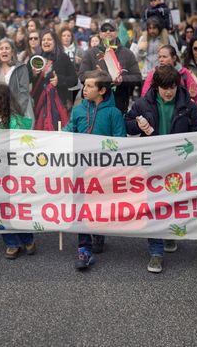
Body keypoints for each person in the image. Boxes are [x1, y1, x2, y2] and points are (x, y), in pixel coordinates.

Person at [124, 65, 197, 272]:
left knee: (173, 203)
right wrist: (136, 126)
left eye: (173, 87)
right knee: (153, 204)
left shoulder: (189, 106)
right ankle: (156, 251)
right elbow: (127, 124)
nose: (169, 92)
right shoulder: (142, 104)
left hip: (178, 164)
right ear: (156, 86)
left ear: (178, 86)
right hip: (152, 163)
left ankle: (169, 234)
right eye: (164, 88)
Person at [64, 70, 126, 270]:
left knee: (99, 206)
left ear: (102, 90)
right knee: (82, 207)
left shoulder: (114, 113)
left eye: (90, 86)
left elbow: (120, 142)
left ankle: (99, 234)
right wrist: (58, 136)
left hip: (103, 171)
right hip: (80, 168)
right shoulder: (78, 110)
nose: (84, 89)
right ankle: (84, 249)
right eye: (84, 85)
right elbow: (69, 130)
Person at [0, 84, 35, 259]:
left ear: (0, 102)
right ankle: (11, 242)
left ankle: (27, 238)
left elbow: (22, 147)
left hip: (14, 173)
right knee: (1, 208)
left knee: (18, 208)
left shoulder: (17, 122)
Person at [78, 19, 141, 115]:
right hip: (94, 106)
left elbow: (137, 77)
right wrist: (99, 76)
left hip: (119, 104)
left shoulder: (128, 53)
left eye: (111, 29)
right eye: (104, 29)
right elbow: (82, 75)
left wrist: (122, 80)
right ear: (100, 33)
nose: (108, 32)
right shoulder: (90, 53)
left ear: (117, 32)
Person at [31, 30, 77, 126]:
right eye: (43, 40)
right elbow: (26, 79)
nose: (46, 42)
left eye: (49, 39)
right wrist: (33, 74)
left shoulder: (63, 58)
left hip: (58, 105)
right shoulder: (35, 58)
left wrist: (59, 80)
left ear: (55, 42)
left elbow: (74, 80)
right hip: (38, 104)